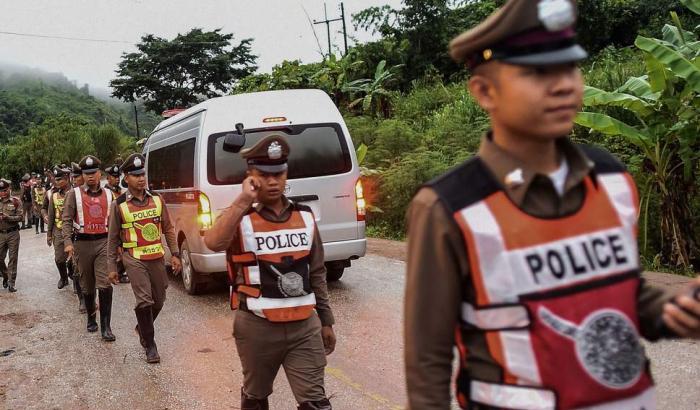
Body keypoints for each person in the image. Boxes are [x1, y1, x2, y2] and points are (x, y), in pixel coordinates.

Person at [404, 1, 700, 409]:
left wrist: (675, 310)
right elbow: (427, 361)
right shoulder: (449, 208)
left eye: (569, 68)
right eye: (538, 73)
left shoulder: (610, 178)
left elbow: (622, 295)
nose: (563, 85)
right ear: (485, 91)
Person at [205, 135, 336, 410]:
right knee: (256, 398)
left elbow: (317, 272)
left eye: (278, 174)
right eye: (264, 175)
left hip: (304, 327)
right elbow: (213, 242)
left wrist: (326, 320)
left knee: (316, 403)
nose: (273, 181)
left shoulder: (305, 217)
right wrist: (243, 199)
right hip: (257, 327)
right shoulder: (240, 218)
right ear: (251, 177)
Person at [107, 153, 180, 363]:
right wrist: (112, 266)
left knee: (159, 299)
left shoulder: (157, 199)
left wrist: (175, 254)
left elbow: (168, 228)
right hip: (134, 258)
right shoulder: (119, 204)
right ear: (126, 178)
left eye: (142, 174)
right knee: (144, 300)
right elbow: (112, 238)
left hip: (156, 256)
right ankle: (150, 345)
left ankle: (142, 327)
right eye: (135, 175)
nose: (141, 179)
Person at [62, 155, 116, 341]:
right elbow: (66, 220)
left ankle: (106, 327)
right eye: (87, 173)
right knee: (87, 284)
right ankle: (91, 317)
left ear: (100, 173)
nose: (90, 176)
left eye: (93, 172)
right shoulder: (73, 194)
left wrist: (119, 245)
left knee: (105, 283)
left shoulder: (109, 194)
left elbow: (116, 222)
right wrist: (68, 242)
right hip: (82, 244)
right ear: (82, 175)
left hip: (103, 242)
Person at [43, 165, 81, 302]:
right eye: (56, 179)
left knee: (76, 261)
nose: (57, 182)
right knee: (59, 259)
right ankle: (64, 278)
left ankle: (77, 285)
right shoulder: (53, 196)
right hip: (58, 231)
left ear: (67, 178)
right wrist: (49, 234)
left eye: (60, 179)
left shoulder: (76, 193)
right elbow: (51, 216)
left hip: (74, 231)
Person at [105, 163, 129, 284]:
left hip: (123, 226)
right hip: (111, 226)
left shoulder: (121, 191)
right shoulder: (106, 192)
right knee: (115, 250)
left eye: (118, 176)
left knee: (123, 250)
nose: (117, 179)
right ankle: (115, 273)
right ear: (108, 178)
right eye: (114, 177)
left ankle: (120, 272)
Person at [0, 179, 22, 292]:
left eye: (5, 190)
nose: (3, 193)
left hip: (13, 233)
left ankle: (11, 282)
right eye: (1, 191)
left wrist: (7, 217)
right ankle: (5, 276)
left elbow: (20, 217)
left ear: (9, 189)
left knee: (13, 258)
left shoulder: (15, 201)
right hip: (1, 234)